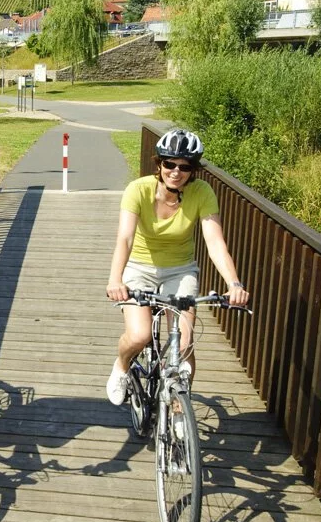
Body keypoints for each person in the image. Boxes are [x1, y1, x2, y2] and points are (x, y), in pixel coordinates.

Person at [105, 128, 249, 405]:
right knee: (139, 336)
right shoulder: (139, 190)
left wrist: (234, 284)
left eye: (185, 166)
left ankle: (180, 410)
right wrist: (115, 280)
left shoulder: (202, 192)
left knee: (183, 345)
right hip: (139, 267)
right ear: (158, 163)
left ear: (193, 170)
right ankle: (121, 367)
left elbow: (215, 242)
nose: (176, 171)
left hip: (180, 269)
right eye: (169, 163)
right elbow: (125, 237)